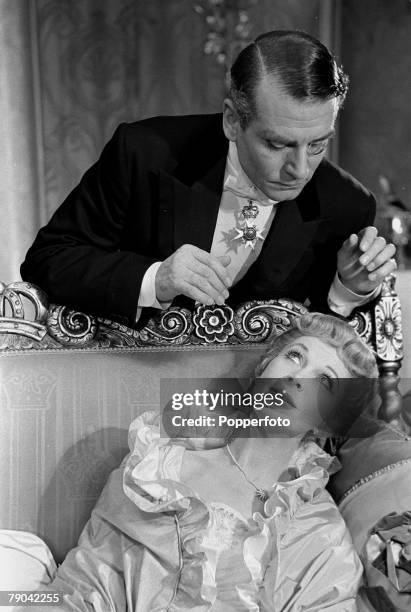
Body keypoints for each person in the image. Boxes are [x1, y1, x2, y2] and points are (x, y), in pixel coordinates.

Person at [20, 30, 396, 327]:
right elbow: (48, 260)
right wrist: (156, 279)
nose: (299, 169)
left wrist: (347, 290)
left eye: (317, 145)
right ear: (232, 120)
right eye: (278, 144)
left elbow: (326, 355)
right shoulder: (143, 153)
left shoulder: (347, 203)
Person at [44, 313, 379, 610]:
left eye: (325, 381)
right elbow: (87, 580)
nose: (298, 377)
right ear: (263, 368)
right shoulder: (158, 461)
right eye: (294, 356)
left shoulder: (319, 534)